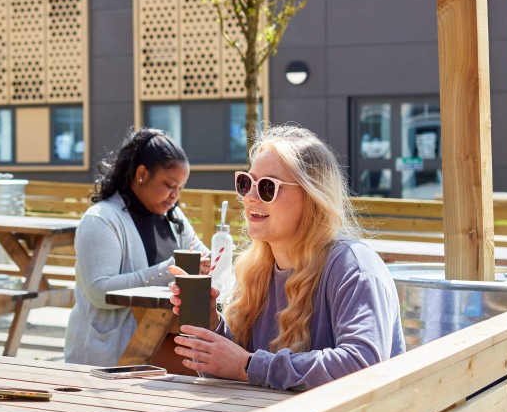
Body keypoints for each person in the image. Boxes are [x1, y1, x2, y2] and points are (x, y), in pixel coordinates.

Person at [169, 124, 406, 391]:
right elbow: (243, 372)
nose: (250, 197)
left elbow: (362, 365)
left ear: (312, 196)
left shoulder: (353, 266)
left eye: (268, 187)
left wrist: (247, 365)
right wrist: (213, 328)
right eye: (245, 183)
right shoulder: (255, 269)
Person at [63, 128, 211, 368]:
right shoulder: (100, 219)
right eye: (169, 185)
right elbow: (99, 292)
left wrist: (210, 262)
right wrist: (172, 269)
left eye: (180, 188)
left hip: (157, 356)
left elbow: (200, 253)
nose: (175, 195)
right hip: (104, 362)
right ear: (142, 174)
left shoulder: (174, 218)